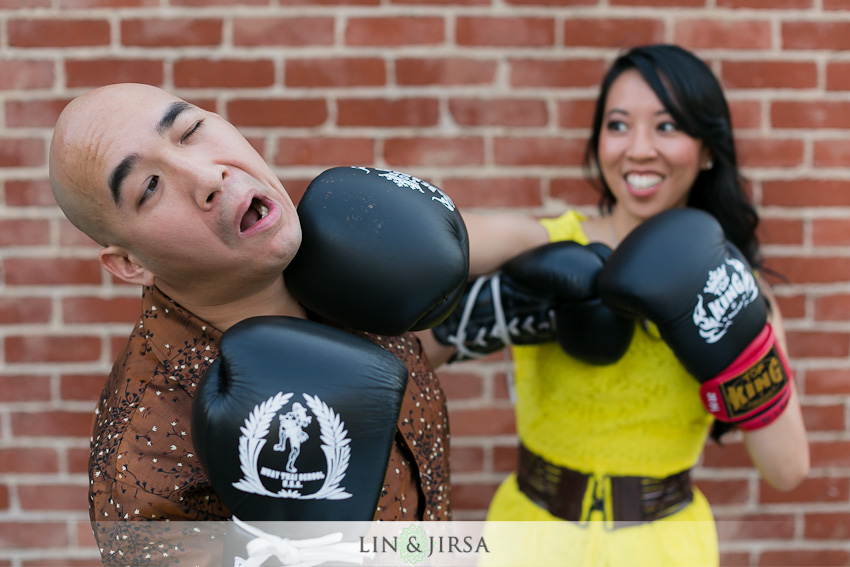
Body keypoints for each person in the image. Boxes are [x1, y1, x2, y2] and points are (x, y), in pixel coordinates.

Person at [47, 83, 547, 566]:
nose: (208, 176)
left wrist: (525, 295)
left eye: (190, 130)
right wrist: (304, 552)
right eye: (149, 187)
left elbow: (376, 377)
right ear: (130, 264)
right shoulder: (144, 449)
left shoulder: (337, 258)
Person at [429, 44, 809, 566]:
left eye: (667, 126)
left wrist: (737, 337)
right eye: (618, 125)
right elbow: (432, 244)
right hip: (531, 537)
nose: (638, 149)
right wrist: (497, 305)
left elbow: (787, 469)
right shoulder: (545, 243)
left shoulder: (731, 286)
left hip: (663, 547)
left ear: (707, 149)